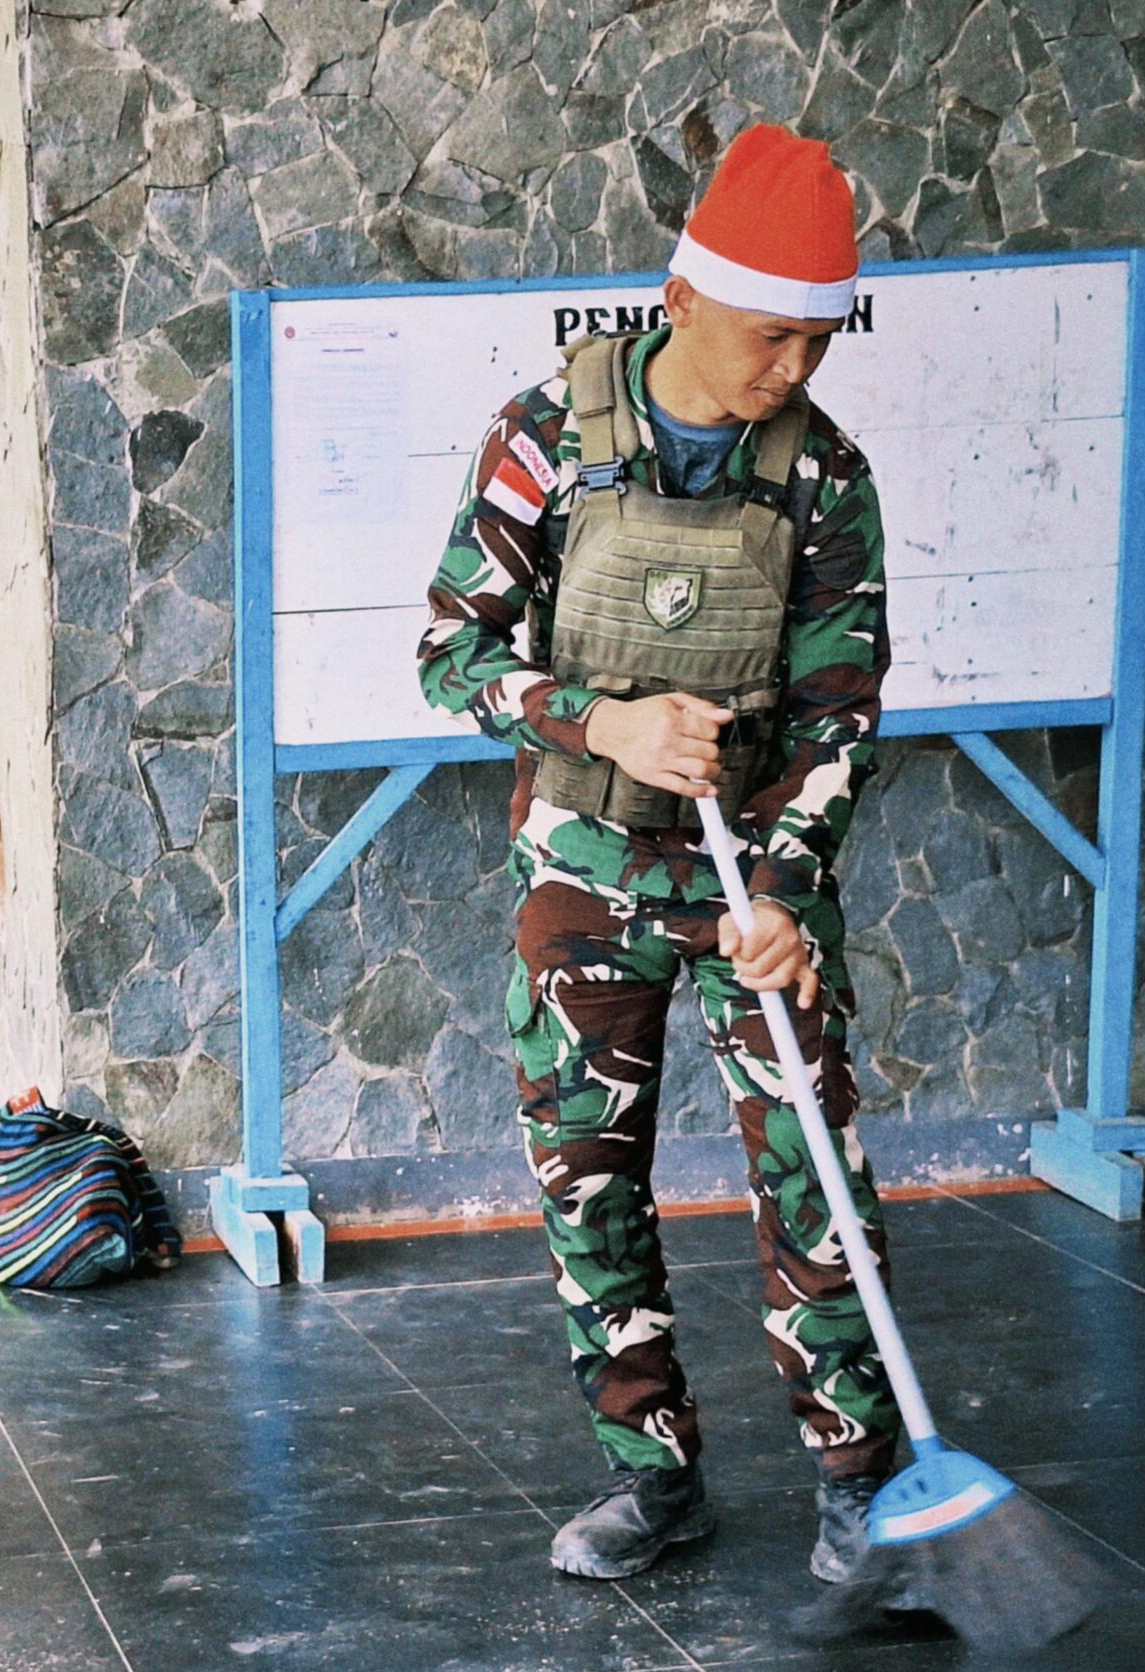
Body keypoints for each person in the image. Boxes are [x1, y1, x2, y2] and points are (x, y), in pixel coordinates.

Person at [417, 126, 899, 1585]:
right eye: (772, 337)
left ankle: (862, 1484)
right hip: (584, 876)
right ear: (683, 296)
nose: (795, 370)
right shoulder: (545, 437)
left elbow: (840, 711)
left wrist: (793, 893)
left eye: (820, 340)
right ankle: (650, 1470)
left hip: (752, 881)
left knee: (820, 1182)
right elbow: (452, 655)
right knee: (588, 1181)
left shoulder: (823, 476)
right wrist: (600, 717)